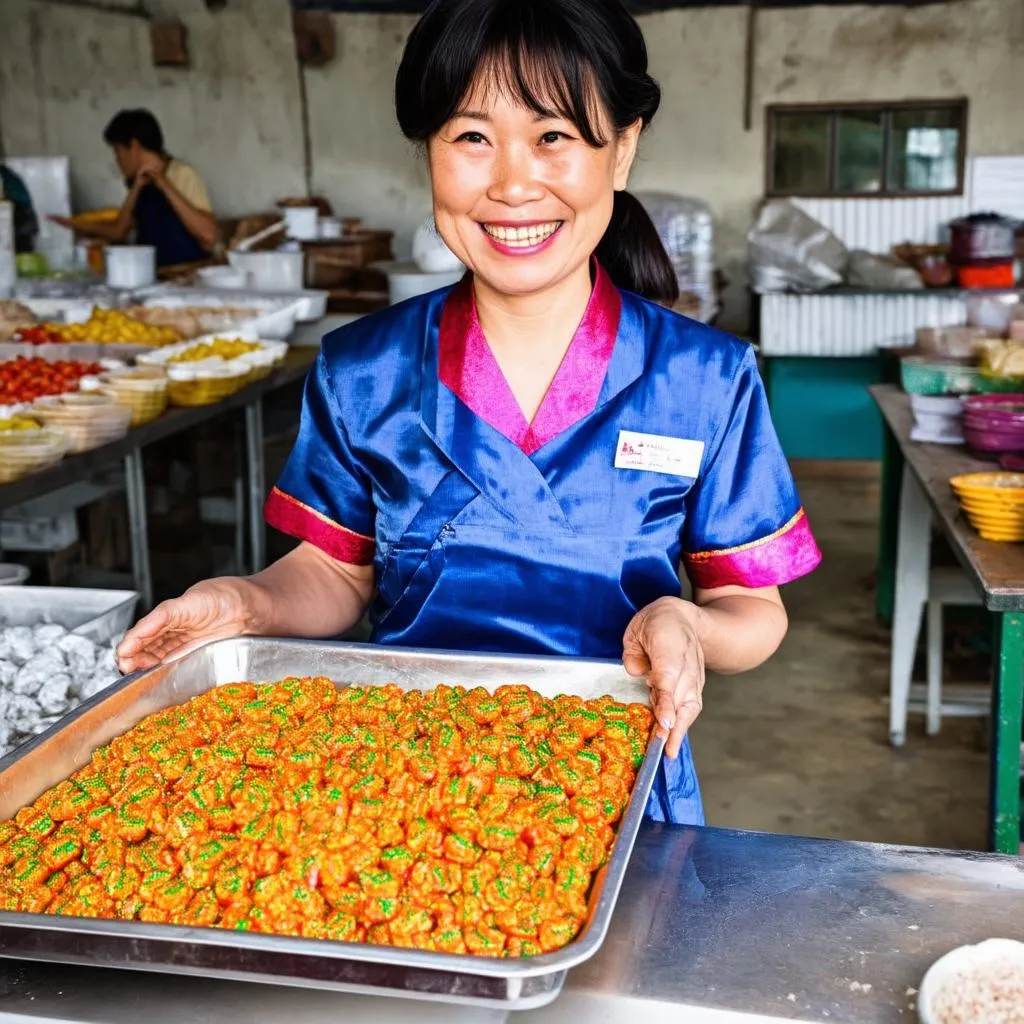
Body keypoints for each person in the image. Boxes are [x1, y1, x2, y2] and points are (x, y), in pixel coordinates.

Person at [118, 0, 821, 825]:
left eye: (554, 136)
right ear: (429, 152)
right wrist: (245, 606)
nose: (513, 184)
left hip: (620, 790)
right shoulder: (362, 370)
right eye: (471, 137)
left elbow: (752, 612)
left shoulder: (704, 378)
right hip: (399, 793)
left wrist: (685, 625)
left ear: (621, 149)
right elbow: (335, 574)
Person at [52, 109, 216, 267]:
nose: (117, 160)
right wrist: (74, 224)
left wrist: (163, 183)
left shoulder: (181, 174)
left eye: (118, 151)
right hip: (153, 274)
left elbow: (208, 235)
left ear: (134, 147)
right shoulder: (138, 182)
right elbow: (119, 230)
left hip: (187, 274)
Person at [0, 163, 40, 254]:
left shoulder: (5, 176)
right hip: (20, 221)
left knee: (18, 256)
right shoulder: (7, 174)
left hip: (20, 220)